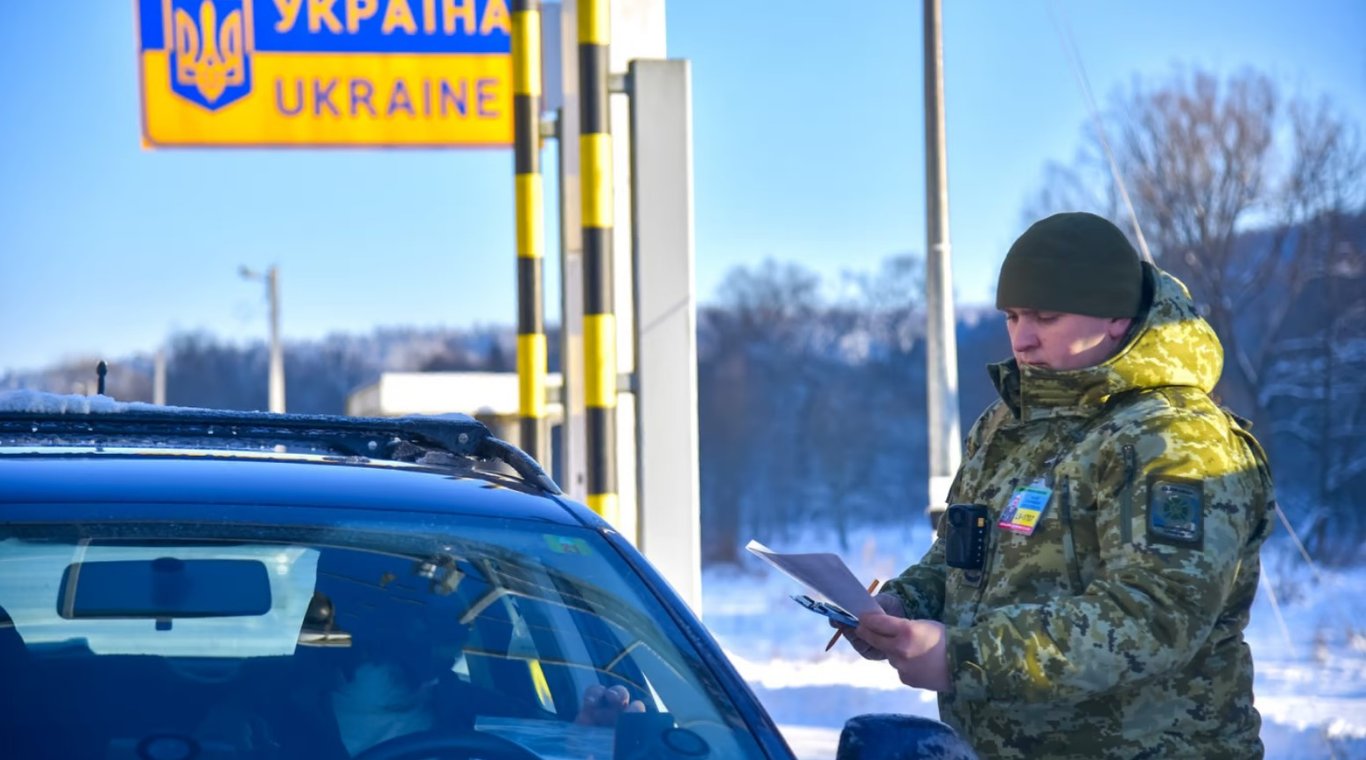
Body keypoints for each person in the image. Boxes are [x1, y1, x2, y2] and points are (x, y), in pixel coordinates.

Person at [842, 212, 1275, 758]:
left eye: (1045, 317)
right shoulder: (1010, 423)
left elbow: (1153, 618)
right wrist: (904, 606)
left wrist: (964, 654)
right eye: (1012, 316)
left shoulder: (1176, 441)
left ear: (1115, 317)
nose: (1022, 339)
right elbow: (963, 556)